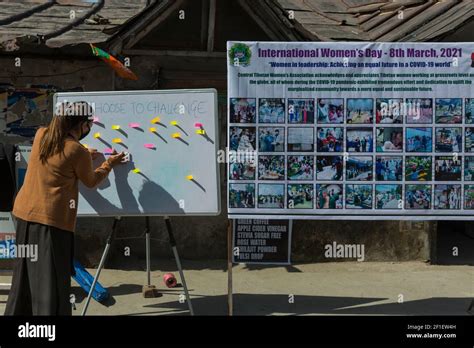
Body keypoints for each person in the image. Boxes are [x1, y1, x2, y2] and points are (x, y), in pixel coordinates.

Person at [5, 101, 126, 316]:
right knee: (50, 280)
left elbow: (56, 162)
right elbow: (90, 180)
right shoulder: (76, 150)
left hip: (23, 216)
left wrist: (84, 156)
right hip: (50, 222)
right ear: (80, 124)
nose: (89, 128)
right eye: (89, 124)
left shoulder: (42, 134)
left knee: (24, 275)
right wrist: (108, 164)